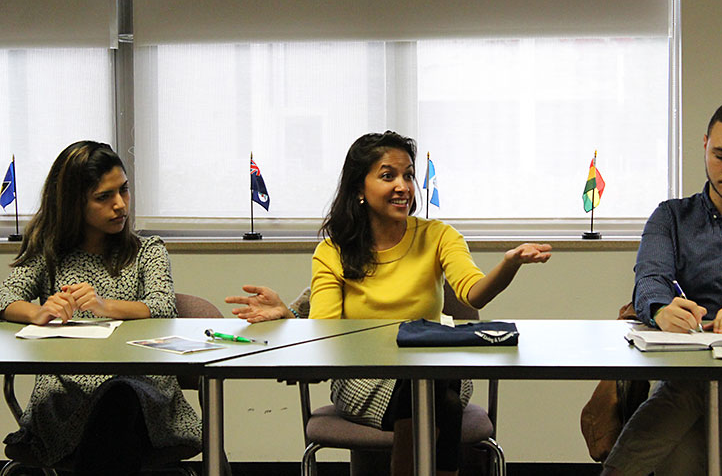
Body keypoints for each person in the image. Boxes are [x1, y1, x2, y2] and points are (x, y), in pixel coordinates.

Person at [226, 130, 552, 475]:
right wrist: (291, 316)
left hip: (438, 370)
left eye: (408, 175)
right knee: (440, 399)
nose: (404, 186)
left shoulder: (439, 235)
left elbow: (474, 293)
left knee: (432, 384)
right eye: (388, 176)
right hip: (361, 377)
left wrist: (509, 263)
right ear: (359, 189)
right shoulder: (333, 251)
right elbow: (324, 329)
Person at [601, 98, 722, 476]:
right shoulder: (671, 217)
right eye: (721, 154)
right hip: (685, 392)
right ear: (704, 143)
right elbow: (649, 281)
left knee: (693, 388)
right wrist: (661, 309)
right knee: (686, 429)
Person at [0, 141, 201, 475]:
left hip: (141, 389)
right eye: (104, 197)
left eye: (124, 190)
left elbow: (163, 306)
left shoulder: (147, 251)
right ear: (72, 203)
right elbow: (4, 298)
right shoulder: (49, 253)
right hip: (67, 393)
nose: (120, 205)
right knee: (109, 418)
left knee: (119, 399)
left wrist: (105, 305)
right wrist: (37, 312)